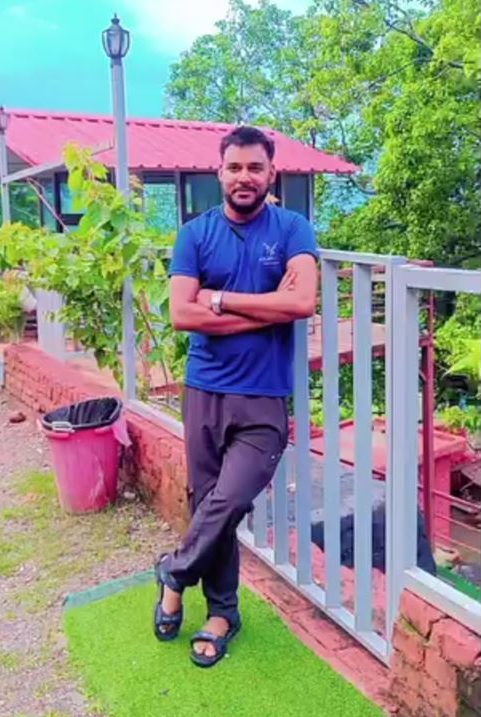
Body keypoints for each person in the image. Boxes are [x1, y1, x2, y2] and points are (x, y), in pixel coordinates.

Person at [153, 125, 319, 668]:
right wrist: (266, 309)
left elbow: (302, 302)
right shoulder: (195, 234)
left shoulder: (292, 228)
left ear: (272, 173)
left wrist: (220, 300)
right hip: (205, 389)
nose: (244, 177)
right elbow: (182, 314)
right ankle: (223, 614)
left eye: (255, 167)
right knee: (209, 504)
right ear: (219, 172)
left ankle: (173, 573)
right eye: (234, 167)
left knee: (228, 500)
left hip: (264, 395)